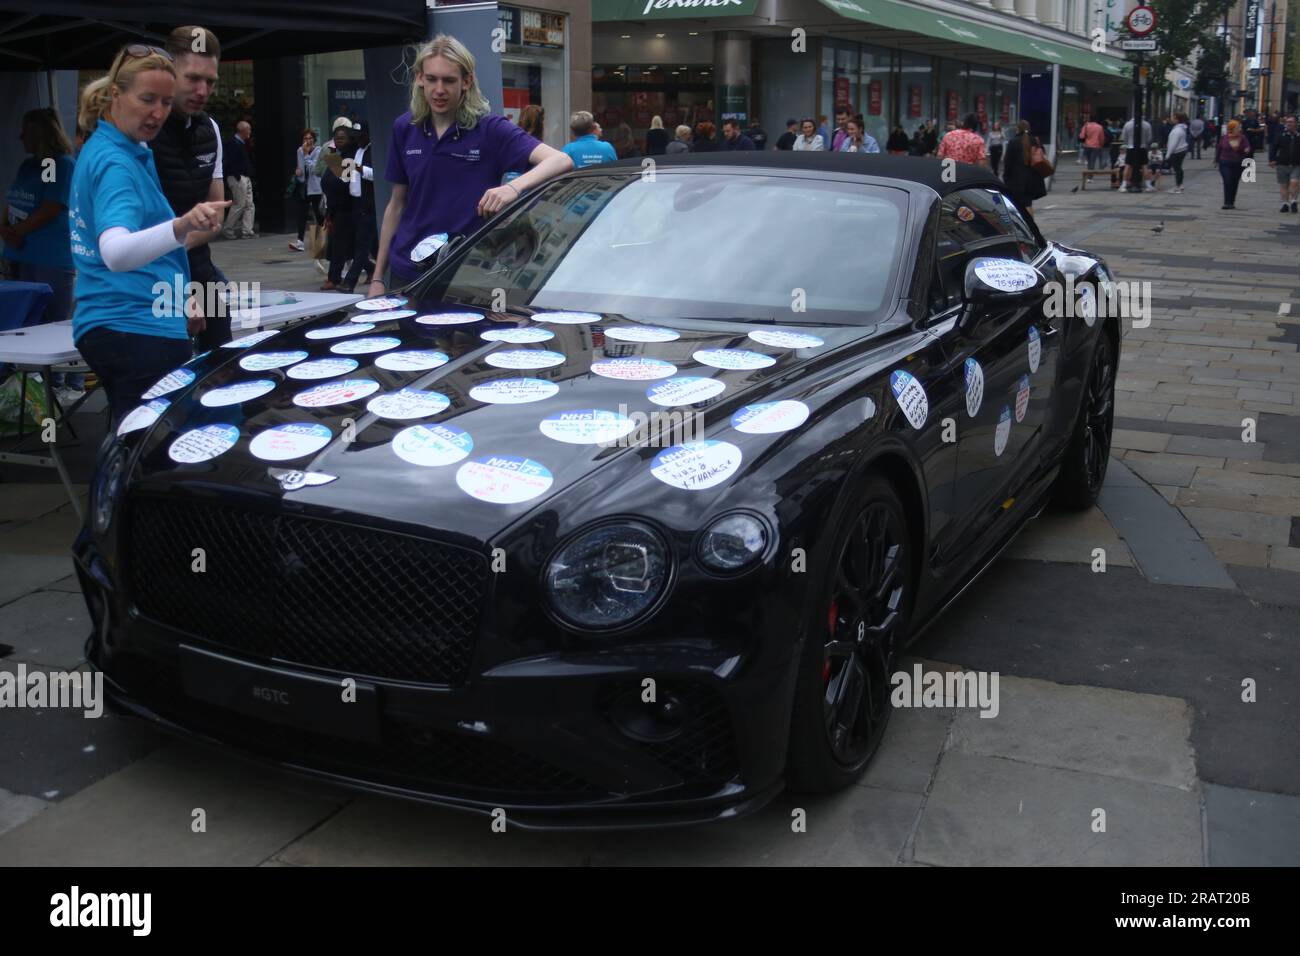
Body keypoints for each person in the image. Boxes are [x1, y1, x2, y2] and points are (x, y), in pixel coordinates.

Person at [69, 43, 230, 422]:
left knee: (133, 441)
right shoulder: (116, 162)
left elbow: (140, 250)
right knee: (149, 454)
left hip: (121, 323)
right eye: (147, 100)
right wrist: (182, 225)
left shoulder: (118, 147)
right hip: (135, 328)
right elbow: (116, 252)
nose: (157, 113)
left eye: (165, 102)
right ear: (115, 94)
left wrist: (178, 296)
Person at [369, 34, 571, 296]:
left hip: (466, 274)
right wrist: (376, 279)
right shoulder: (404, 128)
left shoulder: (489, 129)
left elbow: (561, 160)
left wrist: (514, 188)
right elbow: (396, 204)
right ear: (419, 78)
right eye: (431, 79)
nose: (439, 90)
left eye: (449, 80)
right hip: (407, 272)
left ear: (467, 81)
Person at [147, 26, 230, 350]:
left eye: (210, 82)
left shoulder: (210, 128)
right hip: (148, 281)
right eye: (192, 78)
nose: (202, 90)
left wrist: (173, 242)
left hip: (198, 271)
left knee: (222, 377)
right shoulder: (142, 130)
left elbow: (216, 217)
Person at [0, 108, 81, 398]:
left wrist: (18, 232)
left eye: (27, 131)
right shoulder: (28, 166)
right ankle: (24, 383)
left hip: (50, 255)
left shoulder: (60, 165)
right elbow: (12, 198)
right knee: (24, 320)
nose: (21, 136)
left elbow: (51, 206)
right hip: (20, 253)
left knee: (52, 321)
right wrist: (6, 227)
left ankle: (59, 383)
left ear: (41, 134)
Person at [319, 121, 357, 291]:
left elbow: (343, 184)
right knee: (350, 245)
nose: (339, 140)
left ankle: (333, 278)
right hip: (334, 206)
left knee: (341, 244)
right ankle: (370, 269)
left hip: (346, 206)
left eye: (342, 137)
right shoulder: (336, 155)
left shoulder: (350, 156)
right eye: (337, 138)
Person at [340, 121, 376, 293]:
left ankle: (349, 282)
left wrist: (360, 169)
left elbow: (376, 173)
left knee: (362, 245)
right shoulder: (357, 151)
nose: (356, 139)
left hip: (367, 204)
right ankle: (376, 270)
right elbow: (349, 176)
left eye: (359, 136)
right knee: (369, 244)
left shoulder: (373, 150)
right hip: (355, 202)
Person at [1001, 120, 1046, 216]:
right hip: (1032, 178)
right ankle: (1031, 226)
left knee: (1018, 205)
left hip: (1016, 180)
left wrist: (1005, 177)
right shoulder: (1034, 140)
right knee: (1028, 204)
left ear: (1018, 129)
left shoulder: (1013, 142)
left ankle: (1024, 226)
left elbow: (1008, 162)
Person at [221, 119, 255, 238]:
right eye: (249, 129)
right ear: (243, 131)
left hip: (244, 177)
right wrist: (237, 176)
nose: (250, 132)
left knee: (249, 204)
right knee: (240, 204)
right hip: (238, 177)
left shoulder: (241, 143)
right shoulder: (233, 143)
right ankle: (228, 229)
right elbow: (230, 161)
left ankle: (247, 230)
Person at [291, 128, 322, 251]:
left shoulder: (319, 151)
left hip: (316, 187)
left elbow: (314, 168)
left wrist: (306, 155)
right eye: (305, 139)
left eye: (310, 138)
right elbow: (301, 167)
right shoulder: (299, 150)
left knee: (318, 214)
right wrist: (298, 172)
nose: (307, 141)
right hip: (304, 186)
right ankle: (300, 241)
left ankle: (321, 241)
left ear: (314, 139)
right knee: (301, 213)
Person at [1217, 119, 1253, 210]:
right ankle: (1226, 202)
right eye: (1238, 127)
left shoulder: (1242, 138)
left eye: (1239, 127)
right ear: (1232, 128)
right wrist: (1216, 160)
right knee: (1227, 180)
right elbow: (1219, 149)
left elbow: (1248, 147)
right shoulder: (1224, 138)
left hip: (1238, 163)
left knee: (1234, 182)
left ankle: (1231, 202)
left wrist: (1247, 150)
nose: (1239, 129)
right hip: (1225, 162)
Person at [1269, 114, 1300, 213]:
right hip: (1282, 163)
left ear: (1296, 123)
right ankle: (1285, 204)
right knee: (1284, 185)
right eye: (1287, 122)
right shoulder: (1281, 134)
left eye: (1291, 122)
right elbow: (1274, 147)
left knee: (1294, 183)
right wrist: (1272, 159)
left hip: (1296, 164)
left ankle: (1294, 201)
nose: (1288, 124)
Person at [1119, 115, 1154, 192]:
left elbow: (1124, 137)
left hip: (1131, 147)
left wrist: (1128, 143)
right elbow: (1149, 138)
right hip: (1142, 147)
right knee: (1144, 166)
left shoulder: (1127, 124)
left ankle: (1124, 184)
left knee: (1127, 166)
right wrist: (1144, 143)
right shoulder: (1147, 124)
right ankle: (1148, 185)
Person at [1164, 113, 1190, 193]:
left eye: (1174, 118)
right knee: (1179, 168)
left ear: (1178, 119)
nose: (1172, 119)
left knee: (1177, 169)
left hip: (1177, 151)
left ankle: (1178, 186)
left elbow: (1173, 143)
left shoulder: (1177, 130)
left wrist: (1168, 154)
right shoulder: (1182, 129)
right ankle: (1180, 185)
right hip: (1181, 150)